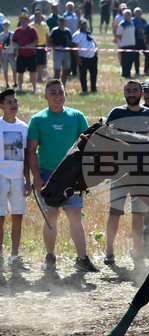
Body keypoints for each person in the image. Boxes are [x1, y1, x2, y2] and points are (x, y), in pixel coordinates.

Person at [27, 80, 96, 273]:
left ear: (65, 94)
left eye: (60, 92)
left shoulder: (76, 116)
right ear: (45, 96)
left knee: (75, 215)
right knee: (51, 216)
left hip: (72, 176)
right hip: (48, 174)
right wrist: (36, 178)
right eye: (53, 92)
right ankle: (50, 258)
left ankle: (82, 259)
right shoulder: (38, 119)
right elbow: (31, 150)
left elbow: (87, 146)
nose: (57, 96)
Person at [104, 80, 149, 264]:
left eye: (135, 90)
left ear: (141, 93)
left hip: (142, 174)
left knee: (138, 214)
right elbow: (106, 138)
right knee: (114, 213)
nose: (131, 93)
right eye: (128, 90)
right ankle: (109, 252)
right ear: (124, 93)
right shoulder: (116, 113)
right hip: (119, 174)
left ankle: (137, 252)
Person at [0, 89, 30, 271]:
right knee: (0, 218)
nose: (13, 105)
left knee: (17, 217)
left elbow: (27, 156)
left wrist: (28, 180)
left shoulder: (24, 128)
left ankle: (14, 256)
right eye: (9, 101)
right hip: (1, 177)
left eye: (15, 101)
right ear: (1, 105)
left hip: (18, 178)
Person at [72, 19, 98, 93]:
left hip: (92, 57)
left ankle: (93, 88)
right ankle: (84, 89)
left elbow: (94, 43)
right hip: (83, 57)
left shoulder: (89, 33)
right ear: (79, 25)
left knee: (93, 73)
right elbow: (74, 47)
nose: (84, 26)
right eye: (82, 24)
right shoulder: (76, 35)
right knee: (83, 74)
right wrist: (77, 58)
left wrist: (96, 50)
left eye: (85, 24)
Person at [116, 9, 137, 78]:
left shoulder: (132, 23)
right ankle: (124, 74)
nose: (129, 15)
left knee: (131, 60)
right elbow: (118, 35)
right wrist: (123, 41)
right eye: (127, 14)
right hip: (125, 45)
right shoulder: (122, 24)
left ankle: (128, 73)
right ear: (124, 16)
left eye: (129, 14)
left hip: (132, 44)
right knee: (125, 61)